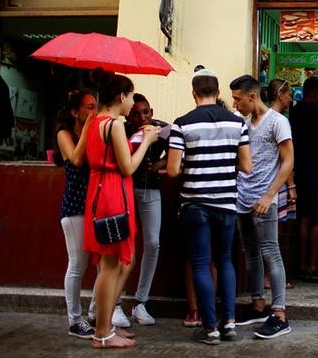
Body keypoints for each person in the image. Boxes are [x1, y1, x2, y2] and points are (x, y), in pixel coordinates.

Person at [167, 68, 252, 346]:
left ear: (194, 95)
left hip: (195, 203)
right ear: (217, 93)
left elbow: (172, 170)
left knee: (201, 264)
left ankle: (209, 328)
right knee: (225, 260)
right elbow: (247, 165)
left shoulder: (182, 124)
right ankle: (229, 322)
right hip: (226, 203)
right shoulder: (237, 123)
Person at [84, 69, 159, 349]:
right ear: (120, 96)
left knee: (114, 264)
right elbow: (127, 166)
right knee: (111, 265)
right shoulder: (113, 124)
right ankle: (102, 332)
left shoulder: (95, 121)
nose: (131, 104)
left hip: (99, 190)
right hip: (113, 192)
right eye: (129, 97)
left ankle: (106, 326)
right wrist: (148, 142)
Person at [230, 75, 293, 339]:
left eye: (238, 99)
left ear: (252, 97)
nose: (236, 104)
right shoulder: (244, 123)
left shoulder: (278, 122)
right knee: (250, 252)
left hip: (264, 200)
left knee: (270, 252)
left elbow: (288, 161)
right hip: (242, 198)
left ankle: (279, 314)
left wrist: (269, 196)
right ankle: (258, 305)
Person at [118, 93, 169, 326]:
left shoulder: (160, 130)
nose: (141, 116)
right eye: (136, 112)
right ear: (129, 114)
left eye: (145, 111)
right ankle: (115, 303)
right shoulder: (122, 131)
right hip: (125, 190)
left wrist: (159, 164)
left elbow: (180, 149)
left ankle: (141, 302)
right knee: (122, 244)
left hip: (152, 190)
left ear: (152, 111)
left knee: (153, 243)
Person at [55, 90, 97, 339]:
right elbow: (77, 159)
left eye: (96, 106)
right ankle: (74, 320)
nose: (93, 110)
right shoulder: (65, 134)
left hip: (93, 206)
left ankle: (94, 313)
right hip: (73, 208)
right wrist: (90, 127)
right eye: (89, 107)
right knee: (77, 265)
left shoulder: (91, 132)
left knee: (102, 263)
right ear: (75, 111)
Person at [289, 76, 318, 283]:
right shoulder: (315, 112)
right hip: (315, 171)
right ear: (314, 93)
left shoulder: (295, 111)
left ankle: (302, 265)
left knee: (303, 218)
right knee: (317, 219)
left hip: (298, 170)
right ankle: (313, 266)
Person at [265, 79, 296, 291]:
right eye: (289, 94)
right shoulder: (279, 121)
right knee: (272, 235)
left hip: (268, 183)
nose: (291, 98)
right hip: (276, 183)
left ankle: (266, 278)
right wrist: (292, 186)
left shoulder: (263, 118)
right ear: (280, 94)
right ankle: (270, 278)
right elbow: (287, 159)